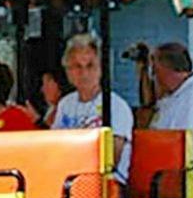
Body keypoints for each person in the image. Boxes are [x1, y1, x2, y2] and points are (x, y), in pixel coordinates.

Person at [51, 33, 137, 183]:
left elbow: (112, 159)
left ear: (101, 69)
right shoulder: (65, 104)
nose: (84, 73)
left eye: (90, 66)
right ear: (68, 71)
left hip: (106, 184)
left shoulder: (116, 106)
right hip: (68, 179)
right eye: (77, 66)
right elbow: (55, 147)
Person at [145, 41, 193, 197]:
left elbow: (185, 147)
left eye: (155, 71)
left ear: (165, 69)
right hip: (169, 173)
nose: (154, 78)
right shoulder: (172, 97)